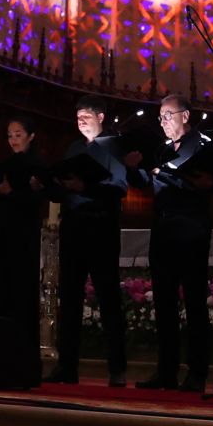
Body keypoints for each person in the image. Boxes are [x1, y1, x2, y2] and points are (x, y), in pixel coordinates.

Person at [126, 95, 210, 393]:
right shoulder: (162, 149)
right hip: (163, 231)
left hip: (190, 230)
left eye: (167, 115)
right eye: (160, 117)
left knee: (195, 303)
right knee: (164, 303)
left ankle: (197, 372)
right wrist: (133, 170)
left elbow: (200, 184)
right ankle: (167, 370)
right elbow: (150, 182)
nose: (162, 122)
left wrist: (166, 175)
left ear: (185, 115)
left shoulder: (200, 146)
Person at [42, 96, 128, 387]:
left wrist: (85, 186)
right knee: (70, 298)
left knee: (108, 299)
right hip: (74, 228)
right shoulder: (75, 148)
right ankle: (67, 366)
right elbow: (64, 186)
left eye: (86, 117)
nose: (80, 122)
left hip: (101, 228)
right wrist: (51, 186)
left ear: (101, 117)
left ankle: (117, 368)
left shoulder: (113, 146)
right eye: (77, 117)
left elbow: (119, 187)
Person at [0, 116, 47, 325]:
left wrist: (9, 193)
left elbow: (36, 200)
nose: (13, 140)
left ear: (31, 136)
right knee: (0, 286)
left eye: (18, 135)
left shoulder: (37, 164)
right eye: (10, 135)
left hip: (23, 235)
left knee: (20, 287)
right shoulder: (6, 163)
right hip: (1, 233)